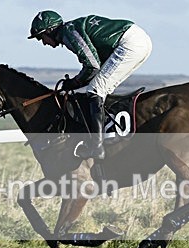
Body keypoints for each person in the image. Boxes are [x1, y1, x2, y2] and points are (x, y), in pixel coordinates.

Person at [28, 10, 152, 160]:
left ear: (50, 30)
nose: (43, 42)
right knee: (102, 88)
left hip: (130, 43)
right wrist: (76, 82)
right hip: (138, 41)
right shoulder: (71, 30)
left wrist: (74, 82)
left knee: (95, 89)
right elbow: (95, 65)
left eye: (41, 37)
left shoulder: (70, 32)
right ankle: (109, 133)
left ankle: (96, 146)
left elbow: (92, 66)